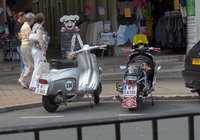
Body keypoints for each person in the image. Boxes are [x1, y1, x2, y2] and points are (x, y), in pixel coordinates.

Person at [29, 12, 48, 91]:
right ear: (42, 19)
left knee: (38, 67)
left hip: (35, 49)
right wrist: (43, 50)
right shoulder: (39, 27)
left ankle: (36, 84)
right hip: (38, 50)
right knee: (38, 67)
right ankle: (33, 85)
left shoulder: (34, 26)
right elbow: (40, 39)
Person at [18, 12, 35, 89]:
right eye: (33, 20)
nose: (33, 22)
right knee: (31, 65)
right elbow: (29, 37)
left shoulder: (23, 26)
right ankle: (23, 79)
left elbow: (21, 36)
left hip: (23, 45)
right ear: (31, 20)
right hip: (28, 46)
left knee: (26, 64)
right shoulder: (27, 27)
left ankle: (26, 81)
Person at [14, 11, 25, 84]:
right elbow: (20, 36)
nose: (25, 19)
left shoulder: (20, 24)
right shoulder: (18, 25)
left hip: (20, 44)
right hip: (20, 44)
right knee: (23, 61)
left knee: (23, 61)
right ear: (20, 17)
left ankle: (22, 77)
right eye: (24, 17)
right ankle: (21, 77)